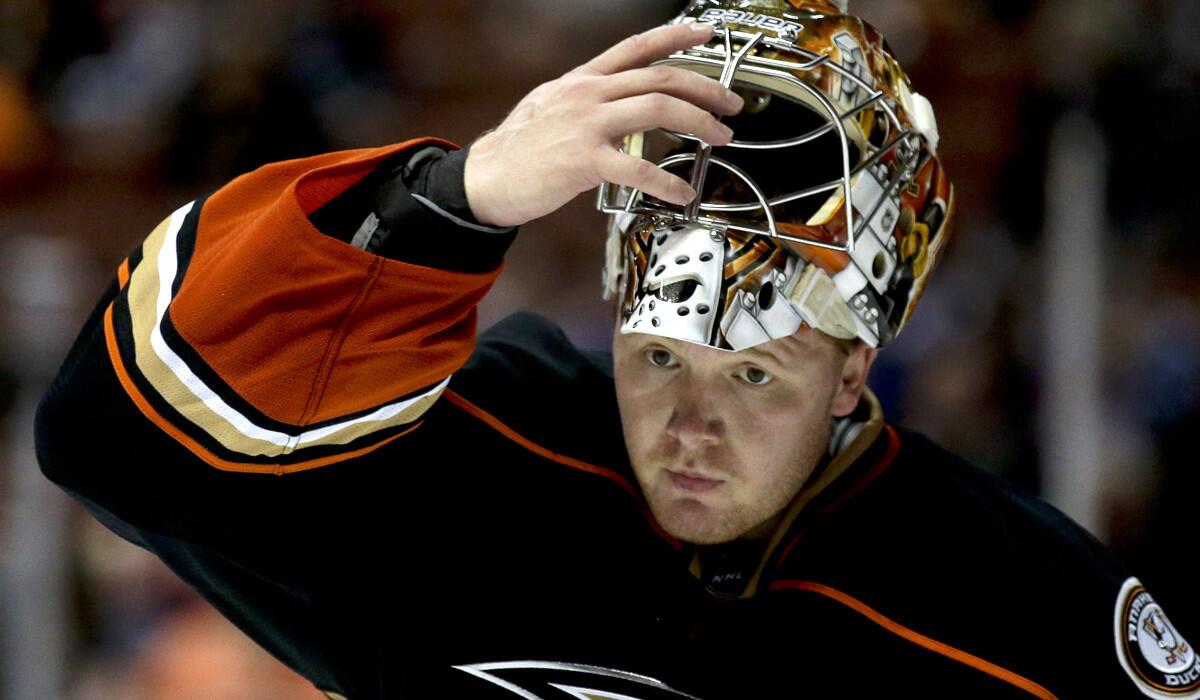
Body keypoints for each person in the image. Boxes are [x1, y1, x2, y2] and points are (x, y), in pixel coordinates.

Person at [35, 1, 1195, 698]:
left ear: (852, 370)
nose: (689, 425)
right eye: (657, 358)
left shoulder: (1028, 615)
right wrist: (452, 198)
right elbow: (106, 435)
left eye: (752, 372)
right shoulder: (488, 459)